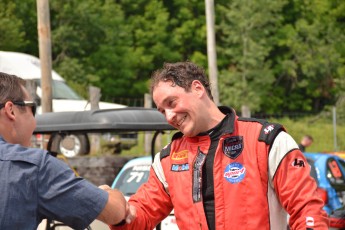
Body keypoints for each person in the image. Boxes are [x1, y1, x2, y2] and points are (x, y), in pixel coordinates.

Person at [110, 61, 329, 230]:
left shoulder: (266, 140)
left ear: (197, 88)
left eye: (171, 103)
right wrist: (113, 210)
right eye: (162, 110)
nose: (168, 116)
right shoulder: (167, 159)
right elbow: (141, 216)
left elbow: (307, 209)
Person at [0, 72, 134, 230]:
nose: (35, 123)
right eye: (33, 109)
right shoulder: (33, 167)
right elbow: (115, 212)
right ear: (11, 111)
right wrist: (111, 193)